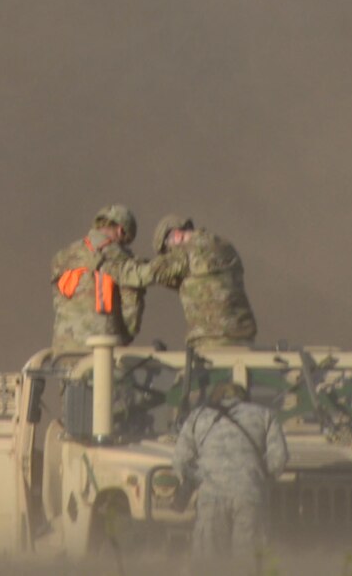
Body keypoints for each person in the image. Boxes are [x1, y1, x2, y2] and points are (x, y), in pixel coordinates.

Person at [174, 380, 289, 566]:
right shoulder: (264, 415)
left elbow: (181, 461)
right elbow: (279, 458)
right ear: (244, 398)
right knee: (249, 559)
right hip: (250, 494)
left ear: (215, 397)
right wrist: (260, 480)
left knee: (209, 562)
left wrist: (192, 480)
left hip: (210, 496)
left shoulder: (197, 417)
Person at [145, 214, 259, 349]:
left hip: (210, 340)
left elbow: (143, 274)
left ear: (177, 236)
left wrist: (117, 261)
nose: (169, 254)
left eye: (167, 250)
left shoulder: (185, 252)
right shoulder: (224, 246)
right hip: (243, 336)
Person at [49, 204, 148, 353]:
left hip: (63, 351)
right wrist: (126, 338)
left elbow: (58, 302)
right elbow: (131, 307)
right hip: (102, 350)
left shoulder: (63, 256)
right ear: (121, 230)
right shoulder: (120, 257)